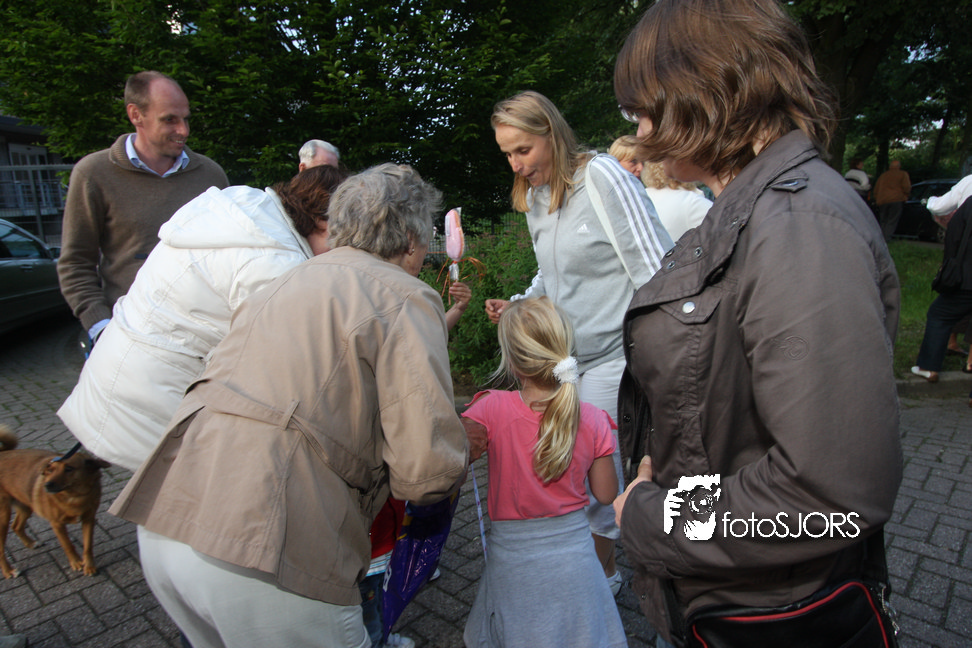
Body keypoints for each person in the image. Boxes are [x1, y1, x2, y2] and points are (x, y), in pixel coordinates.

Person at [613, 1, 902, 646]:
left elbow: (827, 501)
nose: (639, 129)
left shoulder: (798, 225)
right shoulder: (752, 209)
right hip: (733, 596)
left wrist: (655, 517)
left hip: (771, 612)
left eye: (642, 107)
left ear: (700, 86)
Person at [109, 163, 472, 648]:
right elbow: (426, 471)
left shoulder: (282, 280)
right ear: (410, 240)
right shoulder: (405, 295)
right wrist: (461, 447)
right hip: (264, 547)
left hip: (169, 525)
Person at [486, 90, 673, 595]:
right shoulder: (535, 198)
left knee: (594, 471)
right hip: (567, 358)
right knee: (572, 467)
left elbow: (657, 267)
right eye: (507, 153)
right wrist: (521, 302)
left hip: (616, 355)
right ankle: (600, 571)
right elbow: (553, 272)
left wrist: (668, 358)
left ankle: (600, 579)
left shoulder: (601, 177)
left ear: (551, 134)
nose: (515, 164)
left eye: (523, 149)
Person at [57, 164, 346, 473]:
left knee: (159, 492)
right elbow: (283, 370)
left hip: (120, 376)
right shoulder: (275, 262)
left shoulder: (242, 211)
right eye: (342, 239)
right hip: (153, 400)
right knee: (184, 496)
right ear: (322, 221)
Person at [461, 296, 626, 648]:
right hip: (576, 560)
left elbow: (450, 461)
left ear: (512, 361)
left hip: (513, 563)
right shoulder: (593, 418)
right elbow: (606, 495)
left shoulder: (489, 408)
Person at [58, 71, 229, 345]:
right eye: (169, 119)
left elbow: (229, 253)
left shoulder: (210, 175)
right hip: (128, 334)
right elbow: (75, 263)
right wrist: (100, 327)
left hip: (204, 335)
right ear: (136, 115)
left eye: (186, 119)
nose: (183, 130)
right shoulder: (93, 174)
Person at [910, 197, 972, 392]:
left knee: (939, 314)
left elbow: (954, 234)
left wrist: (950, 265)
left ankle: (928, 366)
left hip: (967, 279)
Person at [873, 159, 911, 241]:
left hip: (882, 200)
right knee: (892, 220)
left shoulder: (883, 175)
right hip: (896, 200)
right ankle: (886, 238)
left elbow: (876, 189)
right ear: (899, 166)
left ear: (890, 167)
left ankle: (880, 238)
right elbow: (907, 187)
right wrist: (905, 196)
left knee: (883, 220)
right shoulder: (903, 174)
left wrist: (877, 198)